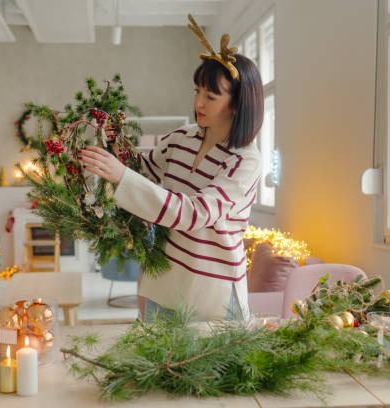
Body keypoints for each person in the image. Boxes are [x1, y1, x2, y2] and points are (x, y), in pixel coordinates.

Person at [79, 16, 264, 321]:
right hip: (162, 282)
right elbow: (146, 170)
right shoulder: (182, 138)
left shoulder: (245, 160)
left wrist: (120, 174)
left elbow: (193, 214)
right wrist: (118, 145)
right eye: (196, 91)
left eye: (210, 96)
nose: (198, 103)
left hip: (211, 294)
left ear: (236, 104)